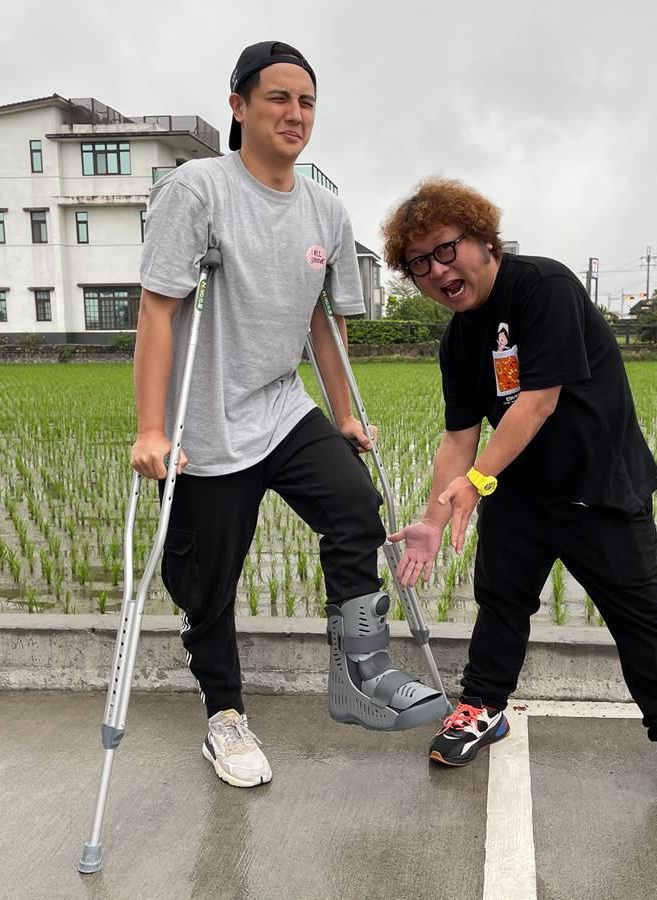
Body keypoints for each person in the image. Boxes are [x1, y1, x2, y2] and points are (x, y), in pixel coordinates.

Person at [380, 178, 657, 794]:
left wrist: (480, 480)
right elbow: (458, 437)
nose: (436, 271)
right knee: (502, 605)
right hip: (518, 491)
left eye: (445, 249)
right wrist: (432, 519)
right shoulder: (459, 339)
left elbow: (537, 402)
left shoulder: (543, 287)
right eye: (418, 264)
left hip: (600, 487)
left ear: (483, 239)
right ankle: (483, 709)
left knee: (641, 619)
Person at [132, 42, 446, 790]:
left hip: (281, 405)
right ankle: (225, 717)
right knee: (208, 587)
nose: (294, 114)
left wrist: (342, 414)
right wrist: (150, 427)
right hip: (205, 425)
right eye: (278, 98)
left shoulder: (325, 210)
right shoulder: (196, 190)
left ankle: (361, 669)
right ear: (238, 106)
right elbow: (159, 305)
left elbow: (324, 326)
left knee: (353, 507)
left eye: (306, 101)